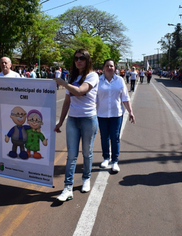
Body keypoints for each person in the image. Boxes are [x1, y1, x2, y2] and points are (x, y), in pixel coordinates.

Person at [53, 49, 99, 201]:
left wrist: (63, 83)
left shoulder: (92, 76)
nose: (78, 61)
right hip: (72, 120)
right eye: (76, 58)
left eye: (82, 58)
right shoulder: (73, 77)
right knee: (71, 155)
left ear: (87, 60)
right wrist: (60, 121)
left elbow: (80, 91)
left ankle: (86, 178)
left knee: (87, 152)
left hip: (88, 119)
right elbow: (67, 101)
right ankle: (68, 187)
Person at [97, 59, 135, 172]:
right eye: (107, 66)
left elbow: (125, 98)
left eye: (111, 66)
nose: (109, 68)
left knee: (115, 138)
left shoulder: (120, 80)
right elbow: (93, 99)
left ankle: (115, 161)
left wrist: (131, 112)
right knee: (104, 137)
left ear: (115, 68)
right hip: (102, 115)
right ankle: (106, 158)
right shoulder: (98, 81)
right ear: (103, 68)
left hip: (116, 114)